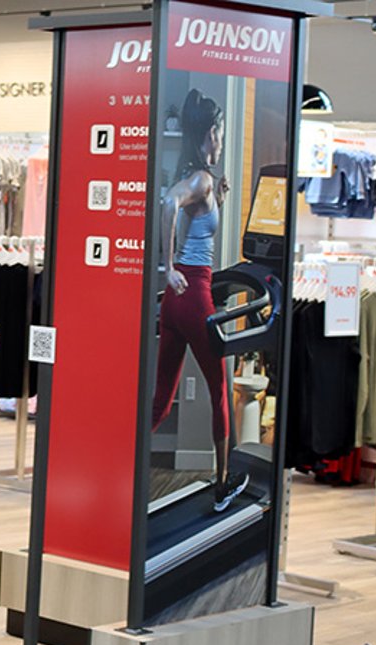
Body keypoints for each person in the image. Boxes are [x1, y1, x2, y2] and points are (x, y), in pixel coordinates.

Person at [151, 88, 243, 512]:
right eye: (220, 133)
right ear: (210, 133)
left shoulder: (201, 178)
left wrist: (218, 201)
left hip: (174, 300)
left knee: (161, 400)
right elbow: (169, 204)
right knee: (219, 390)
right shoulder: (200, 179)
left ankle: (118, 462)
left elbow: (189, 220)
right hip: (193, 294)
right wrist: (167, 265)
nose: (221, 141)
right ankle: (223, 482)